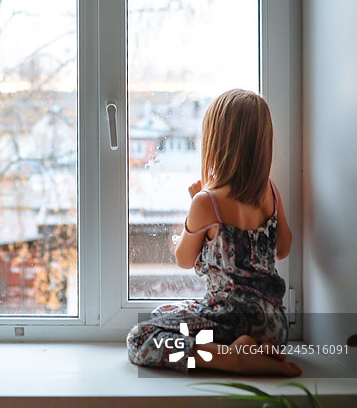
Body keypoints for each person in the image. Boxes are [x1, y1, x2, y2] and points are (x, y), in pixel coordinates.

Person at [127, 89, 301, 377]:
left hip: (229, 320)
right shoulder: (270, 191)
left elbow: (184, 258)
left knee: (140, 336)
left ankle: (229, 358)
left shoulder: (207, 202)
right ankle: (256, 349)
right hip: (274, 325)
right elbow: (283, 248)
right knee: (164, 313)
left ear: (217, 142)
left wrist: (194, 206)